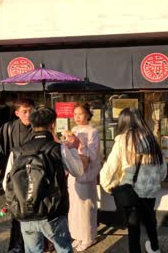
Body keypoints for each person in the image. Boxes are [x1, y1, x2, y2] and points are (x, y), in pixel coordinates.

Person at [3, 107, 74, 253]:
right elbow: (77, 170)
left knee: (33, 250)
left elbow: (6, 184)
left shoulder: (17, 151)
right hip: (53, 212)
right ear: (53, 125)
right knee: (63, 248)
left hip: (25, 211)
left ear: (32, 125)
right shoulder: (58, 148)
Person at [100, 107, 167, 253]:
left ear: (123, 122)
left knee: (133, 228)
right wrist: (153, 182)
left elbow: (109, 168)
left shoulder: (122, 140)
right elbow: (163, 170)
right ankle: (155, 248)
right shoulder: (152, 140)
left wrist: (109, 187)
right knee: (150, 220)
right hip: (150, 191)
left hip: (131, 191)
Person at [0, 98, 35, 253]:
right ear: (17, 113)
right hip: (15, 177)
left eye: (31, 111)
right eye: (24, 111)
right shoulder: (9, 128)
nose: (28, 115)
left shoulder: (40, 127)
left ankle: (37, 245)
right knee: (17, 212)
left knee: (36, 212)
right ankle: (17, 246)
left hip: (36, 176)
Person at [67, 103, 102, 251]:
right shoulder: (74, 129)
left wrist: (78, 144)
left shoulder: (92, 131)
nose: (77, 117)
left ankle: (89, 236)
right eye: (75, 114)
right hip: (73, 172)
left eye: (80, 114)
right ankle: (76, 235)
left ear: (88, 114)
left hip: (86, 173)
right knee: (74, 206)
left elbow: (93, 155)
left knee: (86, 207)